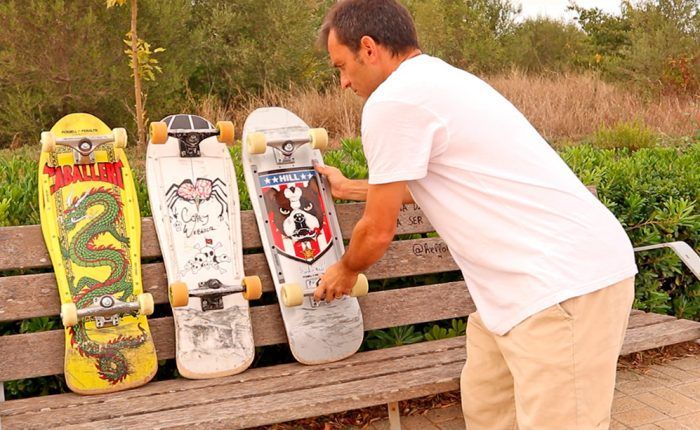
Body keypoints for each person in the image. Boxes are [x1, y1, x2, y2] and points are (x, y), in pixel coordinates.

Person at [312, 0, 638, 428]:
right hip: (512, 295)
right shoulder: (437, 80)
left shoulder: (393, 101)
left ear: (369, 49)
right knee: (488, 412)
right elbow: (441, 179)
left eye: (342, 66)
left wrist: (345, 270)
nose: (343, 82)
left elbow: (376, 231)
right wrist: (349, 188)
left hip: (560, 285)